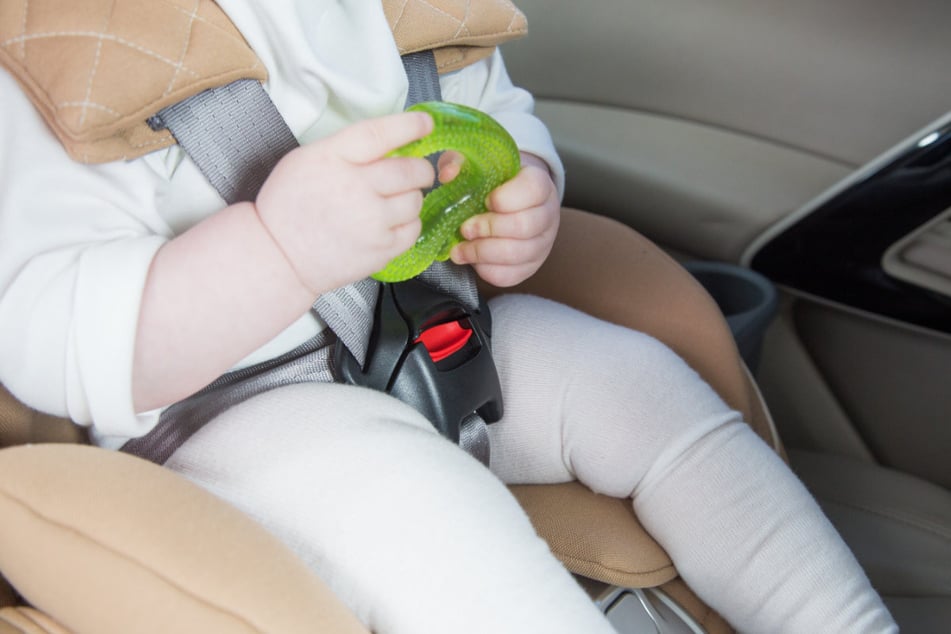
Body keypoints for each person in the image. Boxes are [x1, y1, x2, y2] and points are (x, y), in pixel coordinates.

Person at [0, 2, 896, 632]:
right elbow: (49, 342)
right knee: (430, 515)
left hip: (433, 321)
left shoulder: (403, 13)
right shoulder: (50, 61)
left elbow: (497, 114)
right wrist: (276, 250)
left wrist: (524, 196)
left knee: (639, 387)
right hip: (229, 412)